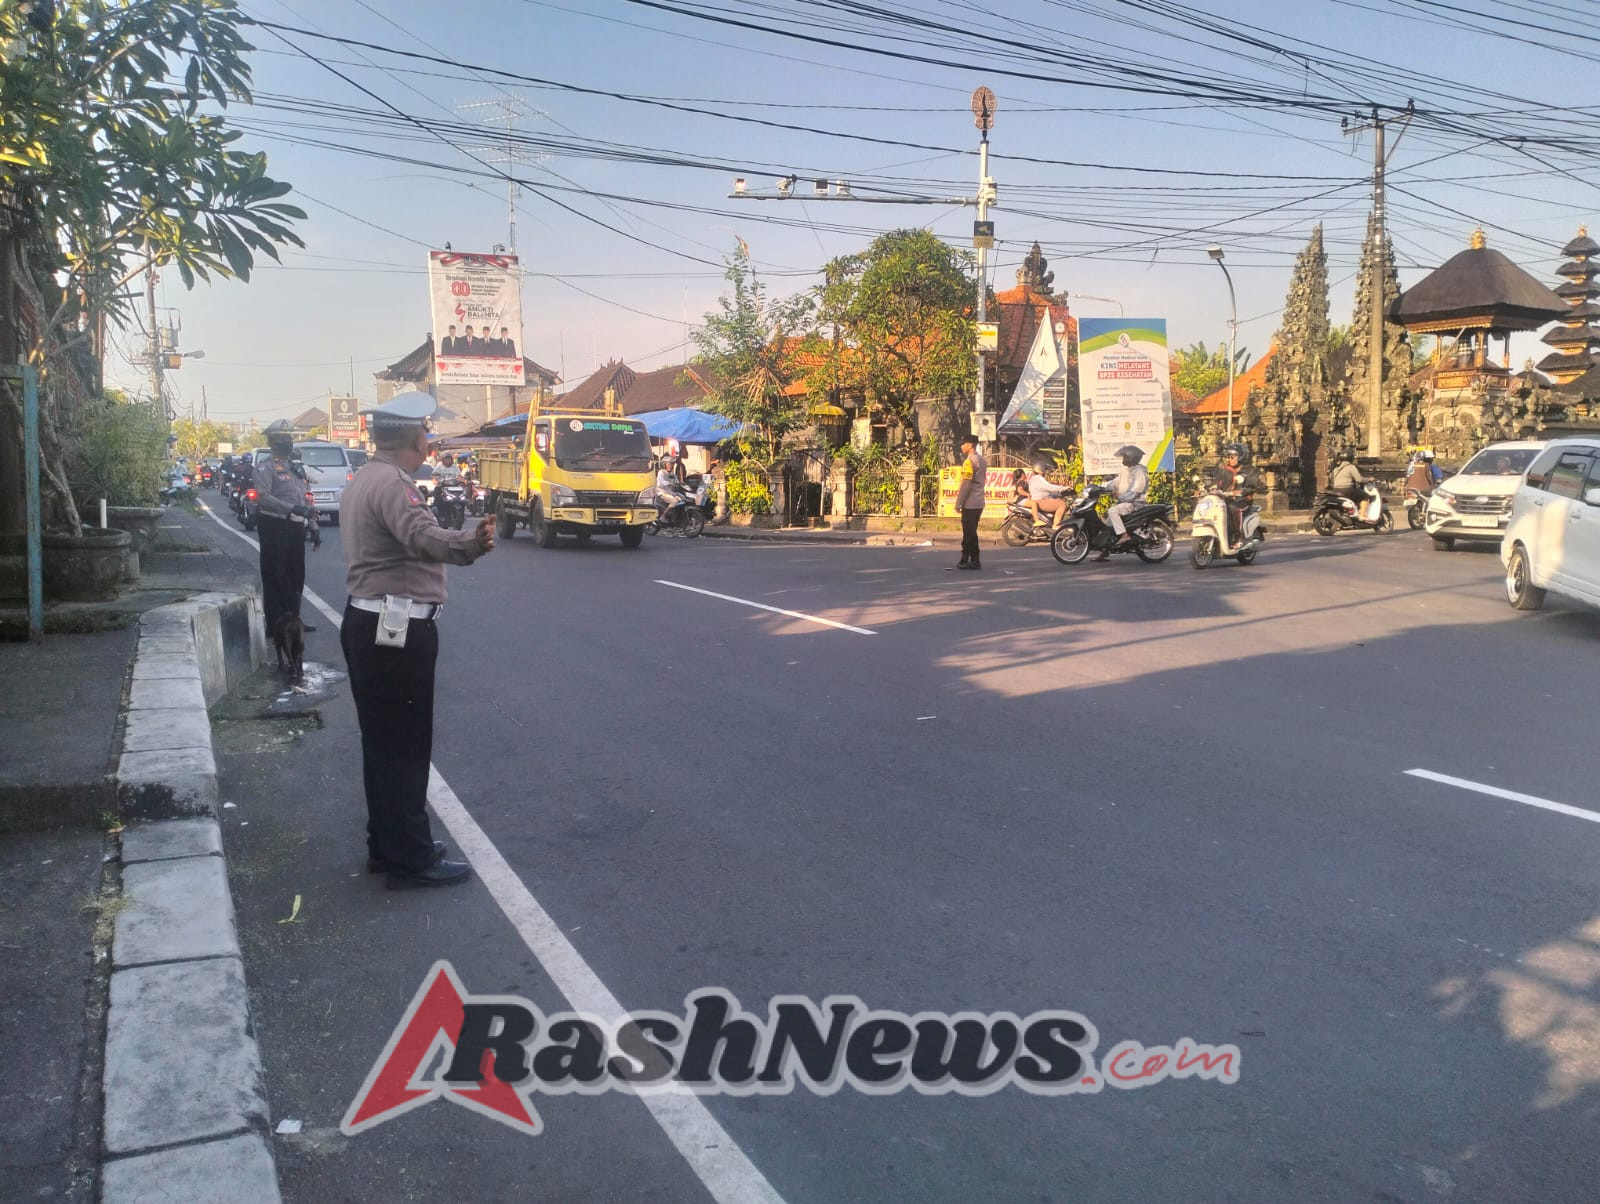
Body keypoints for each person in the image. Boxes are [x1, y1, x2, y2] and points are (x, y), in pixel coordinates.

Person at [339, 390, 497, 889]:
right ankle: (410, 859)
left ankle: (389, 845)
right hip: (395, 633)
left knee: (382, 744)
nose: (429, 438)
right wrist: (471, 542)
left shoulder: (367, 476)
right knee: (404, 747)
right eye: (426, 430)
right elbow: (421, 535)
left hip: (373, 625)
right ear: (416, 438)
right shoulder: (393, 483)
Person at [253, 420, 318, 635]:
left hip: (295, 526)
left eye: (289, 438)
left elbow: (304, 497)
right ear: (272, 443)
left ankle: (293, 620)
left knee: (296, 575)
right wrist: (292, 508)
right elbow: (264, 497)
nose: (287, 443)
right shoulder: (264, 468)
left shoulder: (296, 468)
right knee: (276, 576)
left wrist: (313, 524)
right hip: (274, 525)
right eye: (282, 439)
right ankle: (276, 624)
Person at [1100, 444, 1150, 560]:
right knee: (1107, 525)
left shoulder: (1139, 472)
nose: (1123, 459)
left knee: (1112, 511)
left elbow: (1136, 490)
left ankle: (1125, 535)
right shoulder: (1126, 471)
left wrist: (1121, 498)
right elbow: (1114, 483)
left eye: (1125, 457)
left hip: (1135, 504)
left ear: (1131, 457)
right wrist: (1100, 488)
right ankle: (1104, 551)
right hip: (1125, 503)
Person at [1212, 442, 1260, 544]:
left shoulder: (1251, 471)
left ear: (1241, 457)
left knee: (1233, 507)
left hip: (1242, 500)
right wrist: (1206, 489)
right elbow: (1215, 482)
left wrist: (1242, 491)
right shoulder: (1224, 470)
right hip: (1224, 499)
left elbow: (1252, 486)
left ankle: (1238, 536)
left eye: (1232, 457)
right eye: (1228, 457)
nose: (1229, 459)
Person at [955, 434, 987, 570]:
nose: (961, 446)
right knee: (971, 532)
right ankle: (968, 559)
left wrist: (959, 502)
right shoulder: (982, 460)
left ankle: (972, 560)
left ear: (970, 445)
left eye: (963, 443)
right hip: (979, 502)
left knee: (969, 534)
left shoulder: (969, 461)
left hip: (970, 502)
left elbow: (966, 484)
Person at [1025, 459, 1072, 530]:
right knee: (1062, 504)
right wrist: (1064, 488)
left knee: (1057, 500)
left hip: (1038, 500)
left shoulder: (1033, 479)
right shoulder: (1039, 479)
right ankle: (1056, 525)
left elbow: (1045, 491)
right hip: (1040, 501)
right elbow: (1050, 487)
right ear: (1041, 470)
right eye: (1045, 469)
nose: (1046, 472)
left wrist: (1058, 495)